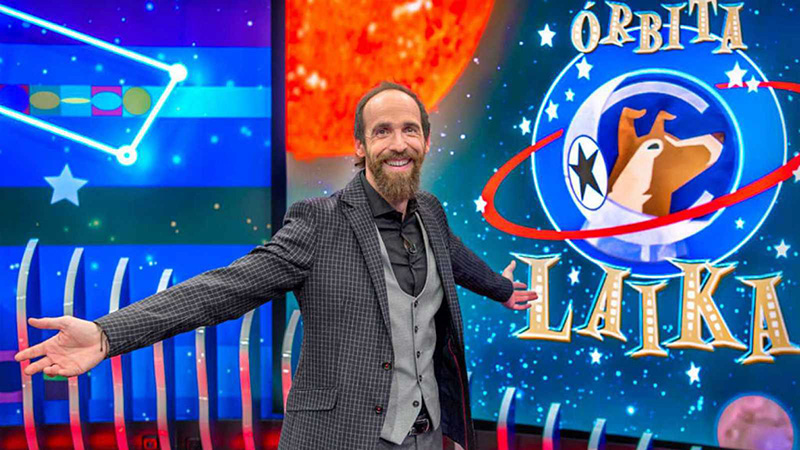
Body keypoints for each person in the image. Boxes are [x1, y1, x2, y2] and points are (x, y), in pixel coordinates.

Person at [16, 81, 537, 449]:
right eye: (382, 132)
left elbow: (452, 254)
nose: (398, 144)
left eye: (409, 130)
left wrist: (500, 288)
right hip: (341, 439)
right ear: (360, 146)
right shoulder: (319, 222)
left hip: (427, 436)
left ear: (424, 140)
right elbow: (224, 288)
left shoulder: (430, 212)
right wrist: (108, 334)